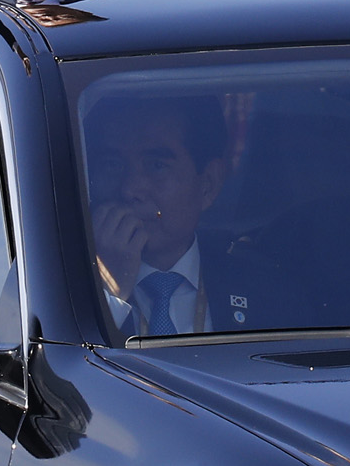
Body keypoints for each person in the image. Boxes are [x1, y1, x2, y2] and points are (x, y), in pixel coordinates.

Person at [84, 97, 292, 336]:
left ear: (208, 185)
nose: (130, 190)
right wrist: (108, 291)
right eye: (112, 165)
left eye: (157, 165)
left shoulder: (265, 291)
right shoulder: (56, 285)